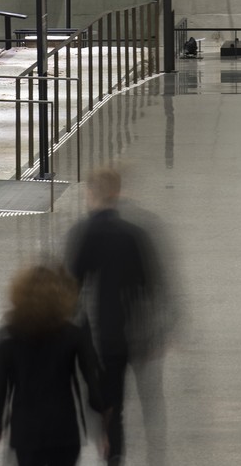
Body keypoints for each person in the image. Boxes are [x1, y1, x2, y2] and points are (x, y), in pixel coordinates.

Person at [65, 168, 171, 466]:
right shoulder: (135, 233)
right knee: (151, 400)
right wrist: (160, 330)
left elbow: (71, 289)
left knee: (113, 406)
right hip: (140, 331)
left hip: (105, 336)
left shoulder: (84, 234)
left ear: (92, 193)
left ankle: (115, 457)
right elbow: (154, 284)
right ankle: (156, 454)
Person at [0, 263, 107, 466]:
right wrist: (102, 416)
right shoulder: (72, 334)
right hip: (64, 430)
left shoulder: (8, 335)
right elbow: (90, 377)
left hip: (26, 431)